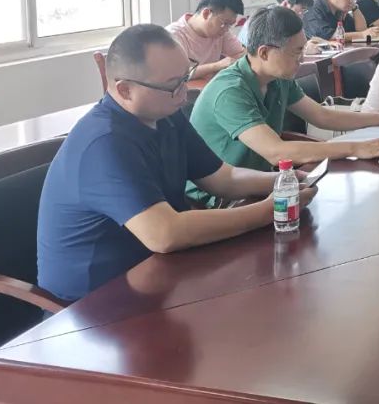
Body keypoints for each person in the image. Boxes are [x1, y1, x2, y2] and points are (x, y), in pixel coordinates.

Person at [36, 25, 318, 302]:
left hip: (157, 274)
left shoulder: (166, 115)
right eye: (173, 85)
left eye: (186, 77)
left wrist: (284, 180)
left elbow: (223, 178)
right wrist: (270, 210)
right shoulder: (104, 143)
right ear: (125, 90)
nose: (184, 94)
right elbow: (165, 233)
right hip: (93, 306)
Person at [188, 6, 379, 207]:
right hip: (217, 202)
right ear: (264, 52)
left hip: (262, 183)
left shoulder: (278, 78)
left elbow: (322, 116)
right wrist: (356, 148)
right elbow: (276, 151)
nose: (302, 59)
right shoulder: (230, 91)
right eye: (296, 52)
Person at [165, 0, 245, 80]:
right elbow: (176, 74)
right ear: (206, 14)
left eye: (230, 25)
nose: (226, 29)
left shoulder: (221, 32)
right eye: (225, 23)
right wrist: (216, 66)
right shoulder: (173, 35)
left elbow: (241, 54)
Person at [302, 0, 379, 43]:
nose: (352, 0)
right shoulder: (314, 8)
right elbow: (327, 36)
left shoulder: (340, 11)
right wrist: (362, 34)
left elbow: (360, 30)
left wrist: (355, 8)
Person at [239, 0, 316, 48]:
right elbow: (276, 49)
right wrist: (304, 49)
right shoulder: (270, 18)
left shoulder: (282, 16)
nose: (302, 15)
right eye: (302, 9)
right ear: (286, 4)